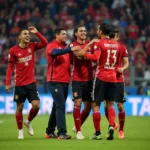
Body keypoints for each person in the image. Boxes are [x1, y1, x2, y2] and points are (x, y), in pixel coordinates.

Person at [74, 22, 120, 140]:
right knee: (110, 104)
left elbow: (95, 58)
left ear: (100, 32)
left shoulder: (99, 43)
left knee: (96, 105)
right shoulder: (116, 44)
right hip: (113, 77)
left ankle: (98, 133)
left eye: (98, 29)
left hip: (101, 77)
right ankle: (111, 125)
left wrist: (85, 55)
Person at [5, 26, 48, 139]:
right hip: (19, 83)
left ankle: (28, 122)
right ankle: (20, 132)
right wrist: (7, 83)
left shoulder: (32, 46)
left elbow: (45, 43)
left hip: (31, 83)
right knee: (19, 108)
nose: (28, 35)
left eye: (29, 34)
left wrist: (37, 32)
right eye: (25, 34)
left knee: (36, 105)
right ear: (20, 37)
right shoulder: (13, 50)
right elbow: (10, 68)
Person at [45, 27, 80, 140]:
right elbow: (55, 53)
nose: (66, 36)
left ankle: (49, 131)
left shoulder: (65, 49)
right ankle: (62, 133)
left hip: (65, 82)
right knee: (60, 106)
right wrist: (70, 49)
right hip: (54, 81)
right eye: (63, 34)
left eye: (66, 34)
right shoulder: (52, 45)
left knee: (56, 106)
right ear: (57, 35)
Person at [104, 26, 129, 139]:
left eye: (114, 36)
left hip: (118, 79)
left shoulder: (122, 48)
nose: (112, 38)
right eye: (111, 36)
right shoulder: (105, 47)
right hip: (107, 78)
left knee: (119, 105)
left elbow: (126, 63)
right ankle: (113, 125)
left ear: (117, 38)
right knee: (106, 105)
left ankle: (121, 130)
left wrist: (122, 69)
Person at [70, 25, 94, 139]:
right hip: (77, 79)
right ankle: (79, 131)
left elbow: (96, 57)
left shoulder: (91, 44)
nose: (84, 32)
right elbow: (79, 55)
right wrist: (88, 49)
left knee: (88, 106)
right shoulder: (73, 45)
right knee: (77, 104)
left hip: (89, 79)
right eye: (81, 31)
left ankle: (77, 126)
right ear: (76, 33)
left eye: (85, 30)